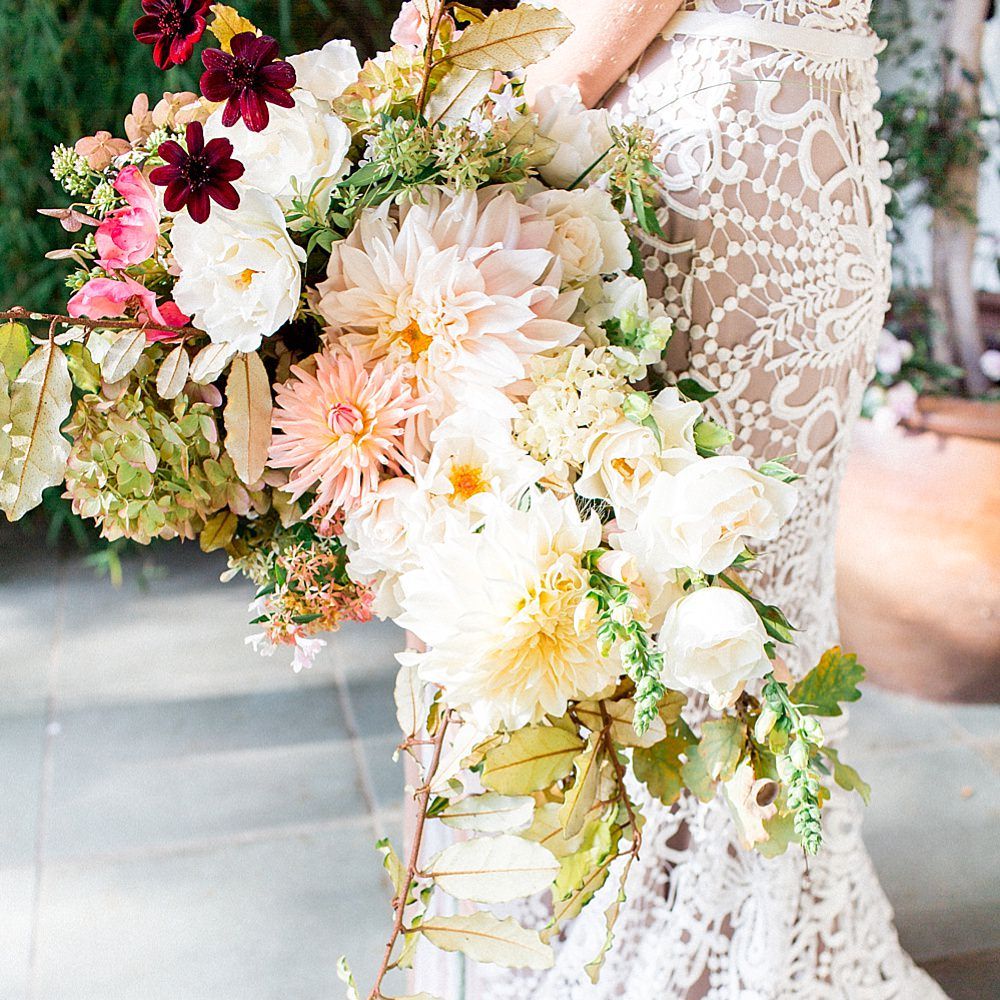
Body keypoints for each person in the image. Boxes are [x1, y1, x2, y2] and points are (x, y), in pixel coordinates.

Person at [418, 1, 950, 997]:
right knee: (729, 594)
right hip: (797, 144)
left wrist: (455, 149)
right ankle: (711, 918)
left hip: (716, 175)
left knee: (685, 593)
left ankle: (692, 943)